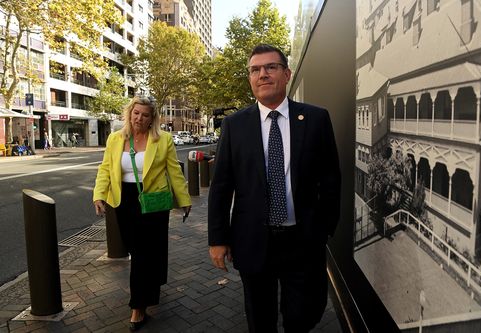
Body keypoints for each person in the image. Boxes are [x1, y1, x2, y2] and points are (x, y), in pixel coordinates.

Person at [208, 44, 341, 333]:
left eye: (270, 67)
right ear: (250, 78)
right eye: (255, 70)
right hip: (253, 239)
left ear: (286, 73)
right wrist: (217, 238)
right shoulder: (234, 125)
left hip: (303, 240)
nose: (262, 74)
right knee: (260, 319)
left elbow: (331, 178)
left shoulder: (316, 119)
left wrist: (324, 227)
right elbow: (221, 186)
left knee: (304, 315)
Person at [93, 96, 192, 331]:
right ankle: (152, 285)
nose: (140, 118)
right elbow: (106, 168)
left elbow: (174, 172)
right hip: (123, 201)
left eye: (145, 115)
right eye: (136, 113)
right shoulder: (115, 139)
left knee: (142, 254)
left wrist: (184, 200)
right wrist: (99, 194)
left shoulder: (163, 139)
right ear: (129, 113)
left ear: (152, 119)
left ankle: (138, 307)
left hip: (153, 202)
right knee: (137, 251)